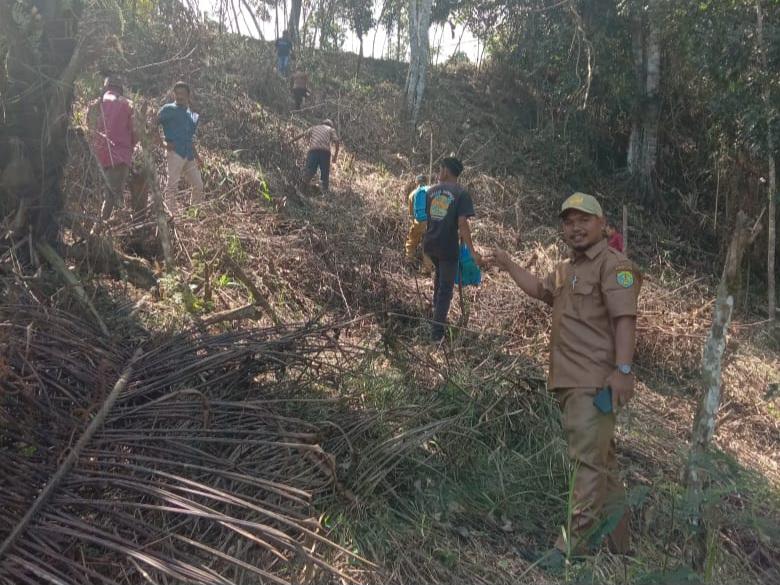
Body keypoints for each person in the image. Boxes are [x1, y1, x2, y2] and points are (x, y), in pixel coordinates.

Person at [484, 192, 641, 570]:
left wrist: (622, 371)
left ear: (602, 224)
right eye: (568, 222)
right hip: (569, 381)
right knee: (604, 460)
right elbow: (540, 290)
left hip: (595, 382)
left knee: (587, 463)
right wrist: (506, 263)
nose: (576, 227)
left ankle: (569, 551)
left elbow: (625, 320)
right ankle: (620, 545)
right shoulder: (566, 270)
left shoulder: (614, 266)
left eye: (584, 219)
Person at [423, 156, 481, 342]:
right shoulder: (461, 193)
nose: (439, 173)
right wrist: (472, 251)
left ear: (446, 171)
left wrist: (424, 249)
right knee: (446, 289)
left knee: (439, 283)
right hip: (448, 247)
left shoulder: (430, 192)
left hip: (431, 244)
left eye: (440, 169)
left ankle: (436, 320)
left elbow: (429, 220)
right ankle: (436, 334)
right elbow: (462, 223)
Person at [87, 75, 137, 219]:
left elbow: (88, 126)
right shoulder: (128, 104)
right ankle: (98, 231)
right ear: (120, 88)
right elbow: (137, 131)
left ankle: (97, 225)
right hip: (119, 156)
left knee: (98, 194)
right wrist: (130, 145)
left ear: (106, 87)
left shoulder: (95, 104)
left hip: (97, 156)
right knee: (111, 196)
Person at [158, 81, 204, 215]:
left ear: (188, 95)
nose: (179, 96)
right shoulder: (168, 109)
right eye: (177, 93)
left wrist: (198, 157)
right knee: (172, 186)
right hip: (175, 153)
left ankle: (192, 215)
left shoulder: (191, 115)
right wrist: (163, 144)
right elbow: (152, 123)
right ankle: (171, 216)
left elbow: (189, 138)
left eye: (182, 94)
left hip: (188, 155)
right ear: (174, 94)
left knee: (198, 185)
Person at [292, 119, 340, 194]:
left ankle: (301, 190)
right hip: (325, 153)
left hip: (313, 151)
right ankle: (324, 194)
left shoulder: (314, 128)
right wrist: (335, 157)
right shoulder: (331, 129)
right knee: (325, 174)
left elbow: (301, 135)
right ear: (330, 125)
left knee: (309, 171)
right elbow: (337, 141)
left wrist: (290, 141)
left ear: (322, 123)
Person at [404, 174, 433, 272]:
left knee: (411, 242)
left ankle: (408, 263)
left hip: (418, 222)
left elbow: (411, 214)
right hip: (431, 222)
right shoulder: (432, 190)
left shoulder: (412, 194)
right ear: (426, 181)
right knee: (428, 245)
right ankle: (427, 269)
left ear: (417, 182)